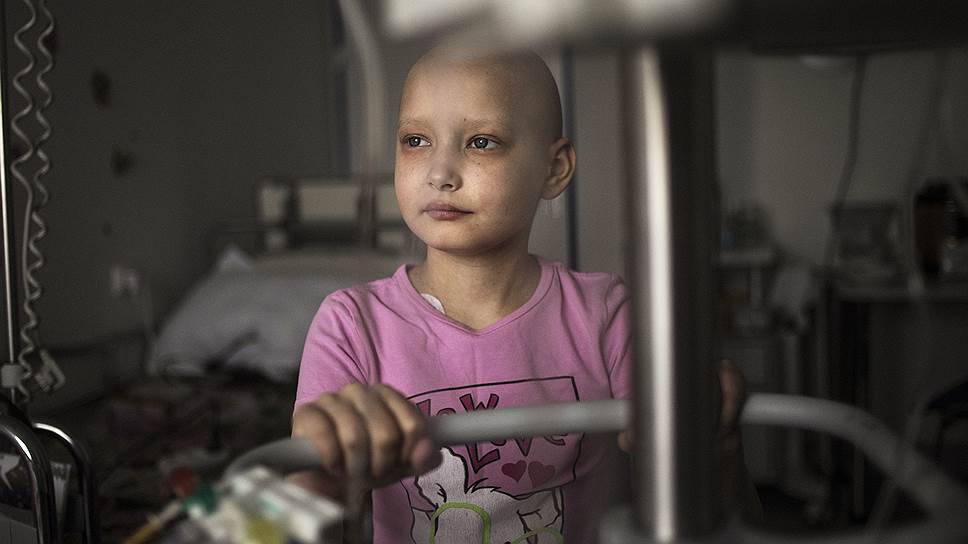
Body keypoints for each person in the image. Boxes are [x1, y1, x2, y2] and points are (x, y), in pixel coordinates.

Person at [292, 46, 751, 543]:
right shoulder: (351, 323)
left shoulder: (605, 316)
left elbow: (707, 509)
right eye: (416, 141)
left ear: (554, 169)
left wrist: (717, 440)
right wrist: (320, 482)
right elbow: (304, 518)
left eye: (481, 142)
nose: (439, 173)